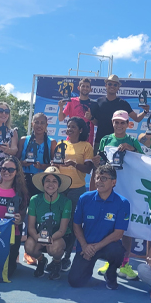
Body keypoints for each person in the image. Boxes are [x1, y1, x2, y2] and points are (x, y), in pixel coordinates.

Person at [93, 110, 144, 280]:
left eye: (123, 122)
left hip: (128, 188)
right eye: (117, 122)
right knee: (109, 225)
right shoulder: (106, 139)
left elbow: (144, 163)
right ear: (112, 122)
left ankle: (125, 263)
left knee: (126, 228)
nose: (120, 125)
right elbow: (100, 162)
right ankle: (110, 260)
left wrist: (131, 149)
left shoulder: (131, 140)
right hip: (109, 189)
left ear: (128, 124)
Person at [68, 164, 130, 290]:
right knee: (75, 282)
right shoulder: (84, 198)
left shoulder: (123, 203)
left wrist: (95, 248)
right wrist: (85, 246)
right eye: (97, 178)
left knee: (118, 251)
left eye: (104, 178)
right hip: (86, 246)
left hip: (106, 246)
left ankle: (111, 273)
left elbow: (119, 234)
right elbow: (76, 225)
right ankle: (87, 269)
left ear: (114, 182)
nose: (99, 181)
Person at [53, 116, 94, 272]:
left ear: (81, 130)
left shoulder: (86, 146)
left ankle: (67, 257)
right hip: (61, 188)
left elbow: (88, 168)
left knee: (72, 224)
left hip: (77, 189)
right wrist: (54, 164)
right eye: (68, 126)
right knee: (59, 222)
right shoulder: (61, 144)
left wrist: (74, 164)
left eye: (73, 127)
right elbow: (56, 164)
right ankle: (56, 256)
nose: (69, 129)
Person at [24, 166, 73, 280]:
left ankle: (57, 262)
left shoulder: (66, 202)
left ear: (59, 185)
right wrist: (37, 237)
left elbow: (62, 230)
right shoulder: (35, 199)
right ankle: (42, 260)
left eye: (54, 181)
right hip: (40, 235)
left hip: (59, 237)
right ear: (43, 183)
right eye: (47, 181)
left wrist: (50, 238)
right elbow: (31, 226)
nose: (51, 184)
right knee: (29, 246)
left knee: (54, 248)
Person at [89, 74, 148, 151]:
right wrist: (91, 118)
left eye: (115, 84)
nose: (112, 86)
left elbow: (137, 118)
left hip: (119, 142)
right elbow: (97, 123)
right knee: (98, 163)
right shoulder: (98, 102)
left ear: (118, 88)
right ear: (106, 85)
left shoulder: (123, 103)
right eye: (110, 84)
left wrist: (145, 111)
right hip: (100, 141)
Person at [17, 113, 57, 198]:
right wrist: (23, 163)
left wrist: (42, 166)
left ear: (46, 125)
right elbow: (15, 161)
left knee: (39, 206)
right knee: (23, 205)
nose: (39, 125)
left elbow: (55, 165)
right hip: (24, 178)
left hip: (43, 179)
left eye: (42, 123)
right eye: (37, 122)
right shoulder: (23, 140)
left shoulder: (52, 142)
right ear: (32, 124)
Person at [58, 77, 96, 146]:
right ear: (78, 88)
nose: (85, 88)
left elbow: (97, 123)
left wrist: (91, 118)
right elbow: (61, 118)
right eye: (83, 86)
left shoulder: (94, 104)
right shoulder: (72, 101)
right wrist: (61, 107)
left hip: (87, 141)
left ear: (90, 89)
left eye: (87, 86)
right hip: (72, 139)